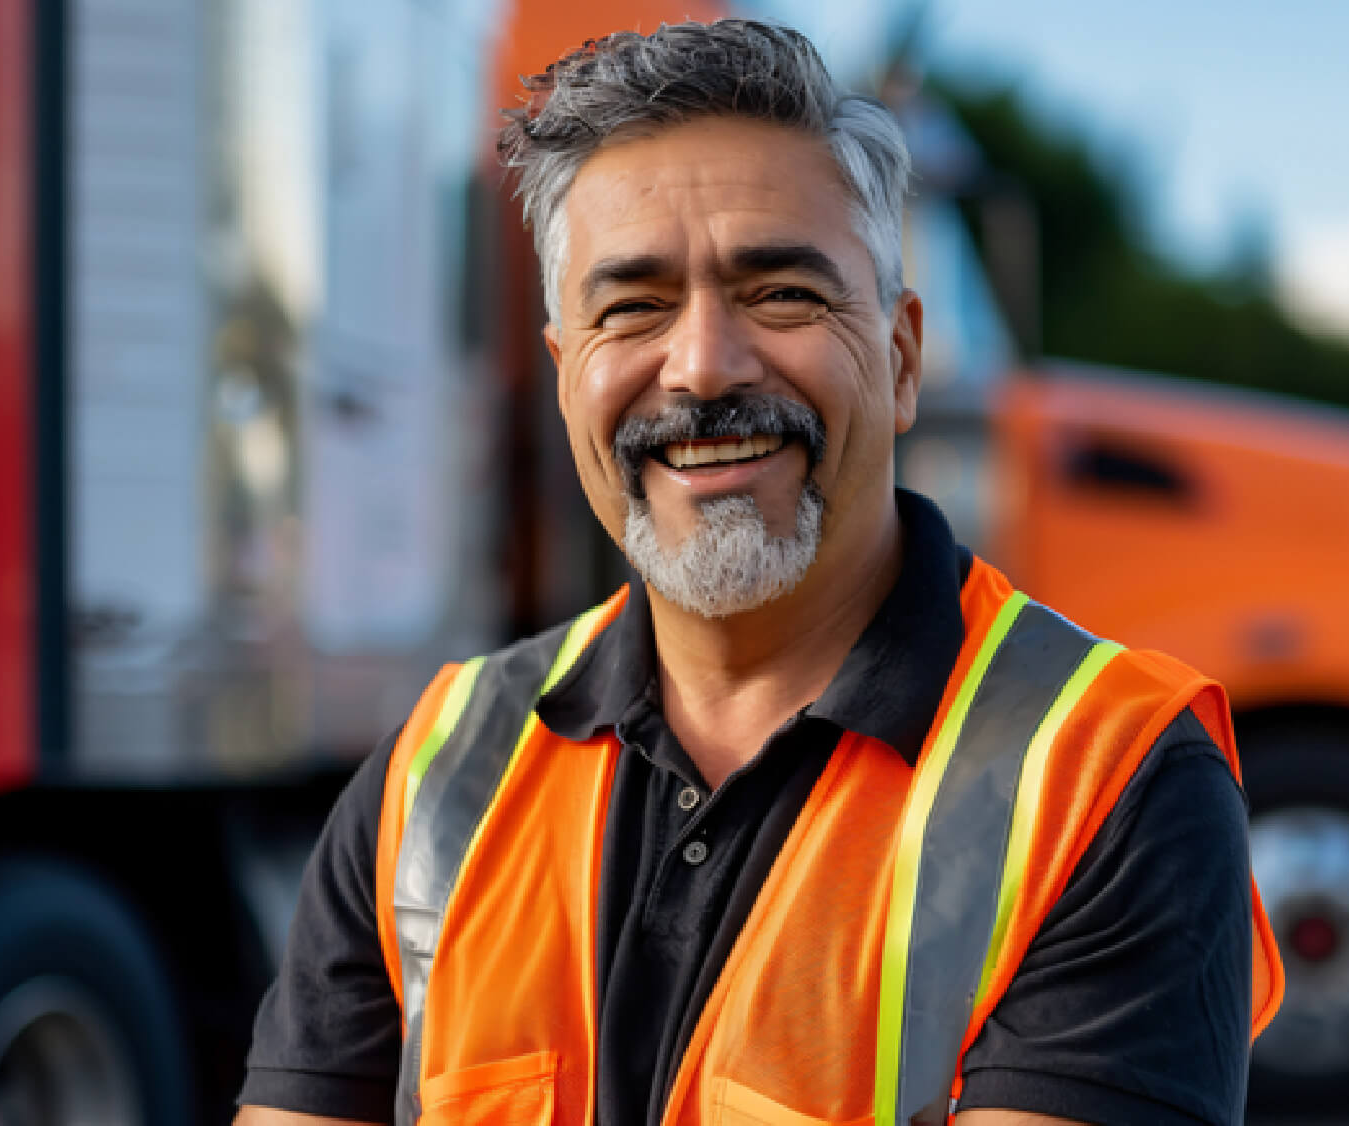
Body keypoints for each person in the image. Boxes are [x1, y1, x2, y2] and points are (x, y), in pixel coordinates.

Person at [236, 19, 1279, 1126]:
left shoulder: (1108, 781)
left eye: (781, 293)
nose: (702, 368)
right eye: (631, 307)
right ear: (563, 373)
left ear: (904, 355)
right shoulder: (434, 781)